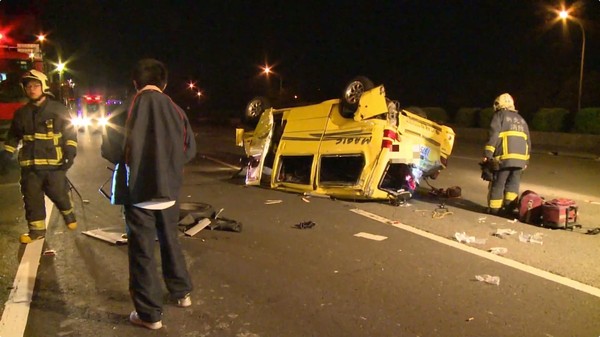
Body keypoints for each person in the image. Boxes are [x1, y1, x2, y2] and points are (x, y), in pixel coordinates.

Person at [107, 58, 197, 330]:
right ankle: (181, 293)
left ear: (135, 82)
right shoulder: (177, 110)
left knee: (142, 252)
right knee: (171, 242)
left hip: (138, 194)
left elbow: (109, 150)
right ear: (164, 83)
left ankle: (149, 315)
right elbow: (189, 150)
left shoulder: (125, 110)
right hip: (169, 192)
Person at [0, 69, 78, 244]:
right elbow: (13, 135)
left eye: (35, 85)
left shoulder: (58, 109)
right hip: (30, 165)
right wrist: (7, 153)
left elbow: (70, 134)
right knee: (31, 198)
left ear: (43, 87)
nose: (32, 89)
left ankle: (68, 211)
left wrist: (70, 153)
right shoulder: (21, 113)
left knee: (58, 193)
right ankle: (36, 231)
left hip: (54, 165)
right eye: (28, 86)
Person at [482, 93, 531, 215]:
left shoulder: (499, 116)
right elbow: (528, 142)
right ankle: (509, 209)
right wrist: (526, 161)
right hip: (520, 160)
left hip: (504, 159)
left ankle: (494, 209)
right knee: (513, 185)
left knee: (498, 183)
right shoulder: (521, 119)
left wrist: (487, 154)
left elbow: (493, 136)